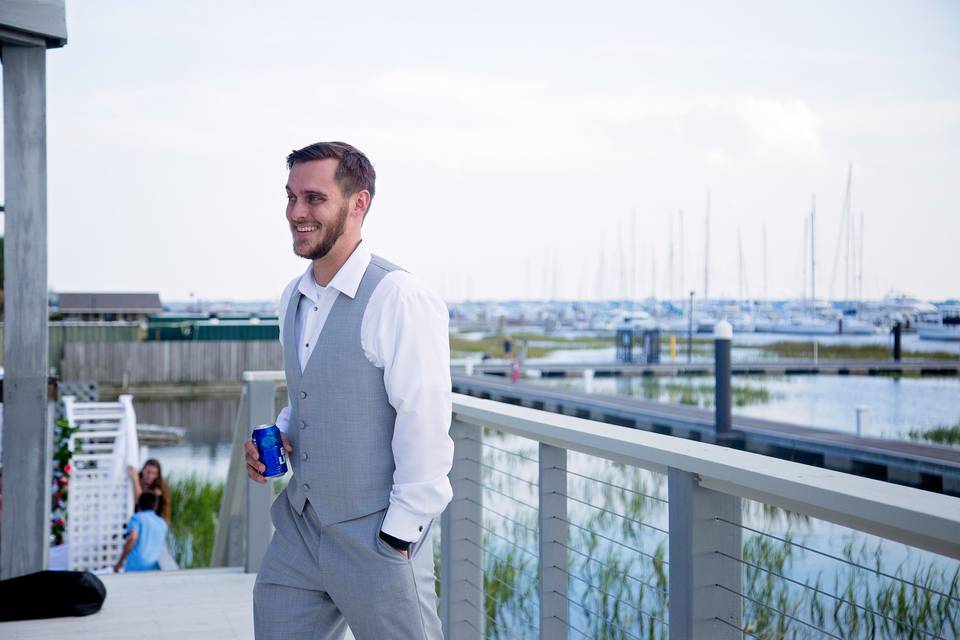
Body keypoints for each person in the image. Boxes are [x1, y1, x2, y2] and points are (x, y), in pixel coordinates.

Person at [246, 141, 453, 640]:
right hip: (298, 529)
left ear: (358, 203)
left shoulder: (399, 297)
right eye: (290, 197)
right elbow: (308, 396)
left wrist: (396, 538)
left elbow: (424, 423)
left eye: (314, 198)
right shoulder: (291, 297)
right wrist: (276, 434)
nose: (296, 212)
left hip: (375, 537)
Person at [114, 491, 169, 572]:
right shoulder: (162, 523)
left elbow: (133, 538)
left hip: (135, 565)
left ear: (138, 504)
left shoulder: (137, 518)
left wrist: (120, 562)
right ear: (155, 506)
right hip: (153, 566)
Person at [127, 458, 171, 523]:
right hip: (133, 516)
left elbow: (140, 501)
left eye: (154, 473)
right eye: (148, 472)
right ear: (143, 470)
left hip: (149, 520)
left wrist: (135, 481)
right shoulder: (136, 479)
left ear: (157, 475)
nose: (150, 476)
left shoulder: (158, 488)